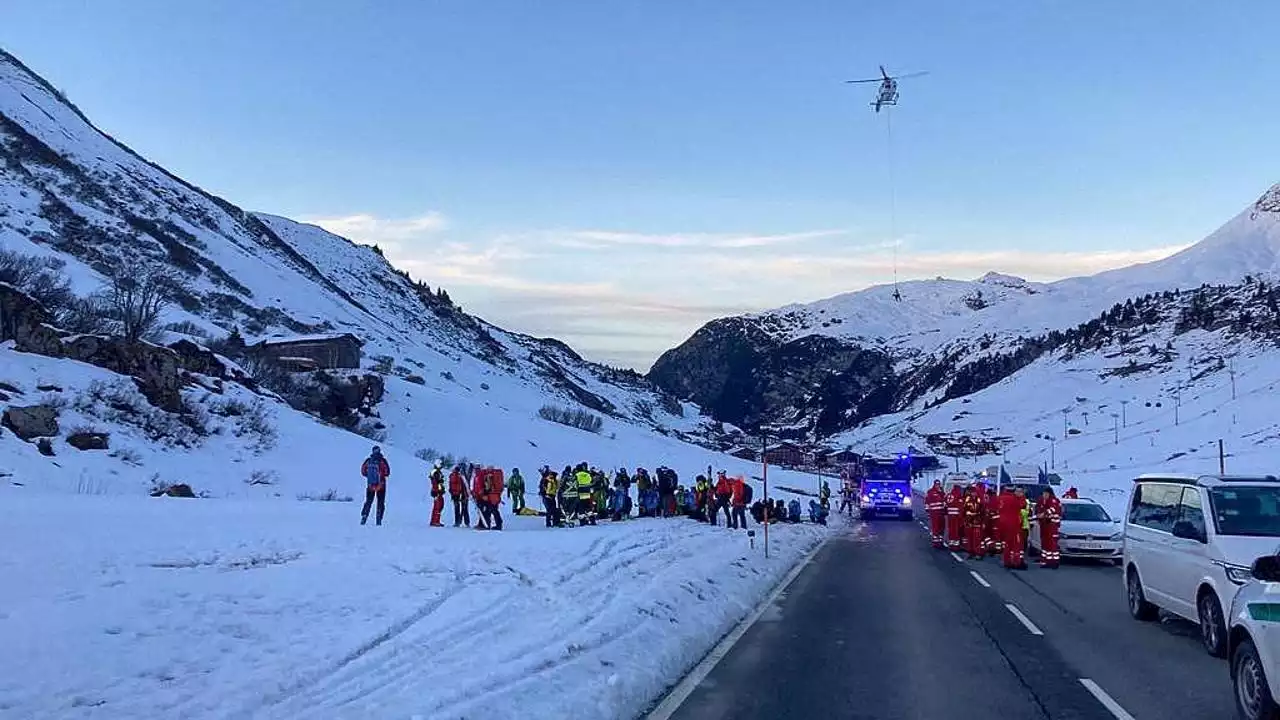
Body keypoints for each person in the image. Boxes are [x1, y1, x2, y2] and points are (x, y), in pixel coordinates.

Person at [1000, 487, 1029, 570]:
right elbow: (1022, 505)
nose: (1020, 493)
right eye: (1019, 491)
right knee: (1016, 545)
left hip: (1004, 524)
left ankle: (1007, 561)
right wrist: (1022, 496)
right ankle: (1016, 562)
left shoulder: (1002, 498)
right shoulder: (1015, 499)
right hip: (1014, 525)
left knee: (1008, 544)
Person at [360, 446, 390, 526]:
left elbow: (363, 471)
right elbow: (387, 473)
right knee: (380, 502)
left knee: (368, 501)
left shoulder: (368, 461)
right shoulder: (383, 461)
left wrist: (369, 476)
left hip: (370, 485)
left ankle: (364, 516)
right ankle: (379, 518)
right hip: (381, 485)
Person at [1037, 487, 1063, 569]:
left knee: (1052, 545)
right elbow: (1038, 509)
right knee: (1045, 544)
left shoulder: (1054, 501)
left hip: (1052, 526)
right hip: (1045, 526)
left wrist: (1043, 514)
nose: (1044, 495)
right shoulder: (1043, 501)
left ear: (1049, 494)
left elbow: (1052, 510)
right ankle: (1045, 561)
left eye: (1046, 494)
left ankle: (1054, 562)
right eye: (1043, 494)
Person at [964, 484, 986, 559]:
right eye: (972, 492)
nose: (973, 493)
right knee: (969, 539)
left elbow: (983, 512)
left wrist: (983, 522)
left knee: (977, 539)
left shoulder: (979, 500)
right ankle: (970, 553)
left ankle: (978, 553)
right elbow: (964, 510)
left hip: (977, 521)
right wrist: (966, 520)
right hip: (969, 521)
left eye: (975, 492)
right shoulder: (967, 499)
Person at [925, 479, 946, 548]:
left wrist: (945, 511)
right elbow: (927, 502)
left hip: (941, 513)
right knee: (935, 528)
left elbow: (945, 501)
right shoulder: (930, 492)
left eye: (939, 484)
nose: (938, 486)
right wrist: (928, 512)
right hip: (934, 513)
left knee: (941, 528)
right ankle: (936, 543)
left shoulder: (942, 492)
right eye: (936, 484)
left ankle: (940, 542)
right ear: (934, 484)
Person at [944, 483, 964, 551]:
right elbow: (960, 508)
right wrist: (961, 518)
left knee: (951, 530)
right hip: (956, 516)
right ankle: (956, 546)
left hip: (950, 516)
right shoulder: (958, 496)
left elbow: (945, 505)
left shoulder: (949, 495)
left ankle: (951, 544)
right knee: (956, 531)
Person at [429, 460, 445, 527]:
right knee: (438, 506)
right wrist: (437, 490)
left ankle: (434, 521)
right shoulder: (435, 472)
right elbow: (435, 483)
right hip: (437, 492)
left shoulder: (437, 472)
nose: (441, 466)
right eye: (440, 464)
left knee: (439, 506)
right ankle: (435, 521)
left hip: (438, 491)